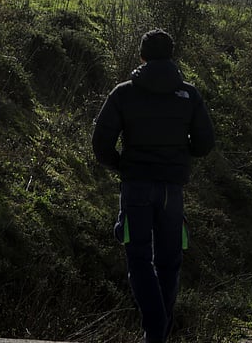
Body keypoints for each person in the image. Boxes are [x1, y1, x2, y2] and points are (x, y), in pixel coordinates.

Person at [92, 28, 215, 343]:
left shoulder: (124, 93)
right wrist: (179, 154)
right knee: (170, 260)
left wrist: (121, 165)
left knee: (138, 259)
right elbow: (204, 143)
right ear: (172, 56)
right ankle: (159, 331)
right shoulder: (189, 94)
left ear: (142, 56)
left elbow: (101, 141)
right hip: (172, 191)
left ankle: (154, 329)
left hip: (136, 189)